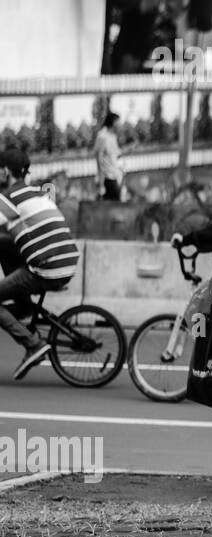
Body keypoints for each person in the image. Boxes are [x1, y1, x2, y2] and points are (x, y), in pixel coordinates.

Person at [0, 148, 80, 380]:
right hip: (65, 263)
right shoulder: (36, 193)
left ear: (5, 172)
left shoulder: (10, 198)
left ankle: (33, 345)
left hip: (46, 269)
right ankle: (24, 306)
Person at [95, 112, 124, 201]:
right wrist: (101, 183)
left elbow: (115, 154)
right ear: (114, 122)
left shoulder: (113, 136)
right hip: (107, 178)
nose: (120, 125)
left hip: (115, 176)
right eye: (119, 122)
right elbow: (99, 158)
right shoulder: (102, 136)